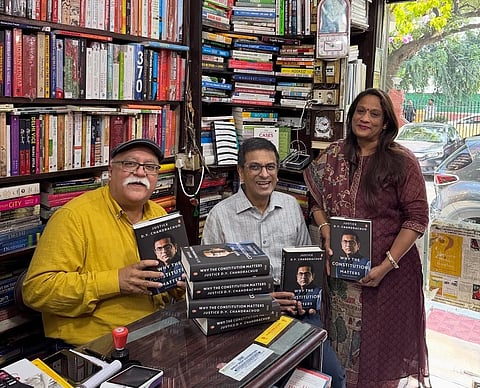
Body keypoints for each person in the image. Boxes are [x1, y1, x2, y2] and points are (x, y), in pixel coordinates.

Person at [303, 88, 430, 387]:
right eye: (360, 111)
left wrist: (386, 265)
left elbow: (417, 219)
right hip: (340, 281)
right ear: (351, 116)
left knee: (380, 358)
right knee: (338, 356)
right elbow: (315, 202)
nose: (365, 118)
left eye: (375, 114)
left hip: (389, 277)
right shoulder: (333, 155)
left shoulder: (401, 161)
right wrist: (325, 231)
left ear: (386, 122)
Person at [201, 137, 346, 388]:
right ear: (241, 171)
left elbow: (305, 262)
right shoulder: (220, 215)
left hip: (293, 310)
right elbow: (210, 285)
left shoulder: (290, 205)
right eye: (255, 167)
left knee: (333, 377)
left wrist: (304, 299)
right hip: (244, 315)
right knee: (268, 379)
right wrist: (261, 303)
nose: (264, 174)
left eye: (270, 167)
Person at [22, 139, 185, 347]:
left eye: (150, 167)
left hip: (157, 334)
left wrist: (181, 283)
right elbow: (36, 290)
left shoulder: (158, 213)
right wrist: (115, 281)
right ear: (111, 170)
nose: (141, 173)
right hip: (94, 348)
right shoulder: (73, 217)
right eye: (130, 164)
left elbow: (170, 283)